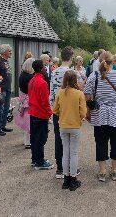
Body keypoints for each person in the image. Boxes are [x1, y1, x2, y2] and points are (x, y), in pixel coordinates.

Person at [84, 51, 116, 182]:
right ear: (113, 62)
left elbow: (87, 96)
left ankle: (102, 171)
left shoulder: (94, 76)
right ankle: (115, 171)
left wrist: (88, 111)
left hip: (100, 114)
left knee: (101, 142)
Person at [49, 47, 81, 179]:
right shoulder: (73, 73)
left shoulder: (54, 72)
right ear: (71, 57)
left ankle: (60, 168)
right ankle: (70, 169)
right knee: (71, 143)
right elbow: (80, 91)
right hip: (71, 111)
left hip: (57, 109)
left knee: (59, 139)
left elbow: (51, 92)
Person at [52, 70, 86, 191]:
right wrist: (79, 117)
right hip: (75, 125)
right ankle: (73, 179)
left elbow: (54, 110)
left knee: (65, 152)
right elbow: (83, 112)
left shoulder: (60, 93)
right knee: (74, 153)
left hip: (63, 125)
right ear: (75, 80)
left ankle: (66, 179)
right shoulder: (79, 94)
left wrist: (63, 113)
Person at [28, 60, 54, 170]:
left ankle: (35, 159)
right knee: (40, 138)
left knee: (34, 138)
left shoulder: (32, 80)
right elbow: (44, 101)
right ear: (40, 69)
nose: (45, 69)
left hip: (33, 112)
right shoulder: (42, 83)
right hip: (40, 113)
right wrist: (49, 112)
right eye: (44, 67)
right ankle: (39, 161)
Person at [16, 58, 35, 149]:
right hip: (28, 100)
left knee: (26, 121)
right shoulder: (29, 77)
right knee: (29, 122)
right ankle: (28, 142)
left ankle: (26, 140)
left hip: (23, 99)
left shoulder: (22, 75)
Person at [0, 44, 13, 136]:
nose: (11, 52)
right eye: (9, 51)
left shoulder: (6, 61)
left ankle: (3, 125)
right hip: (2, 89)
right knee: (0, 109)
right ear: (4, 51)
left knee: (6, 108)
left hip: (8, 88)